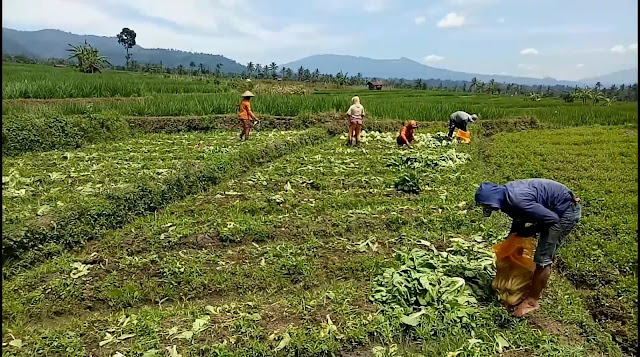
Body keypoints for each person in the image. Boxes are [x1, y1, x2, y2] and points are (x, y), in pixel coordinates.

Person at [475, 179, 581, 317]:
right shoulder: (507, 195)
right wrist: (513, 240)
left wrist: (529, 231)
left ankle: (532, 301)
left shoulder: (516, 200)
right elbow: (519, 218)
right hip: (553, 209)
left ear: (492, 201)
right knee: (522, 242)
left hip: (565, 212)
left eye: (486, 205)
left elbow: (552, 219)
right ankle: (536, 280)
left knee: (542, 257)